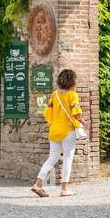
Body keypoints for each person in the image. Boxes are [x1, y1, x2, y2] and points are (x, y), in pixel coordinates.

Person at [30, 69, 83, 199]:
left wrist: (53, 123)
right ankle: (64, 189)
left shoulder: (55, 95)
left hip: (54, 131)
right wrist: (83, 121)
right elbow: (76, 112)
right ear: (72, 81)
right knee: (67, 159)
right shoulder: (72, 95)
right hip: (67, 131)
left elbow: (48, 112)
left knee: (52, 158)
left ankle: (38, 184)